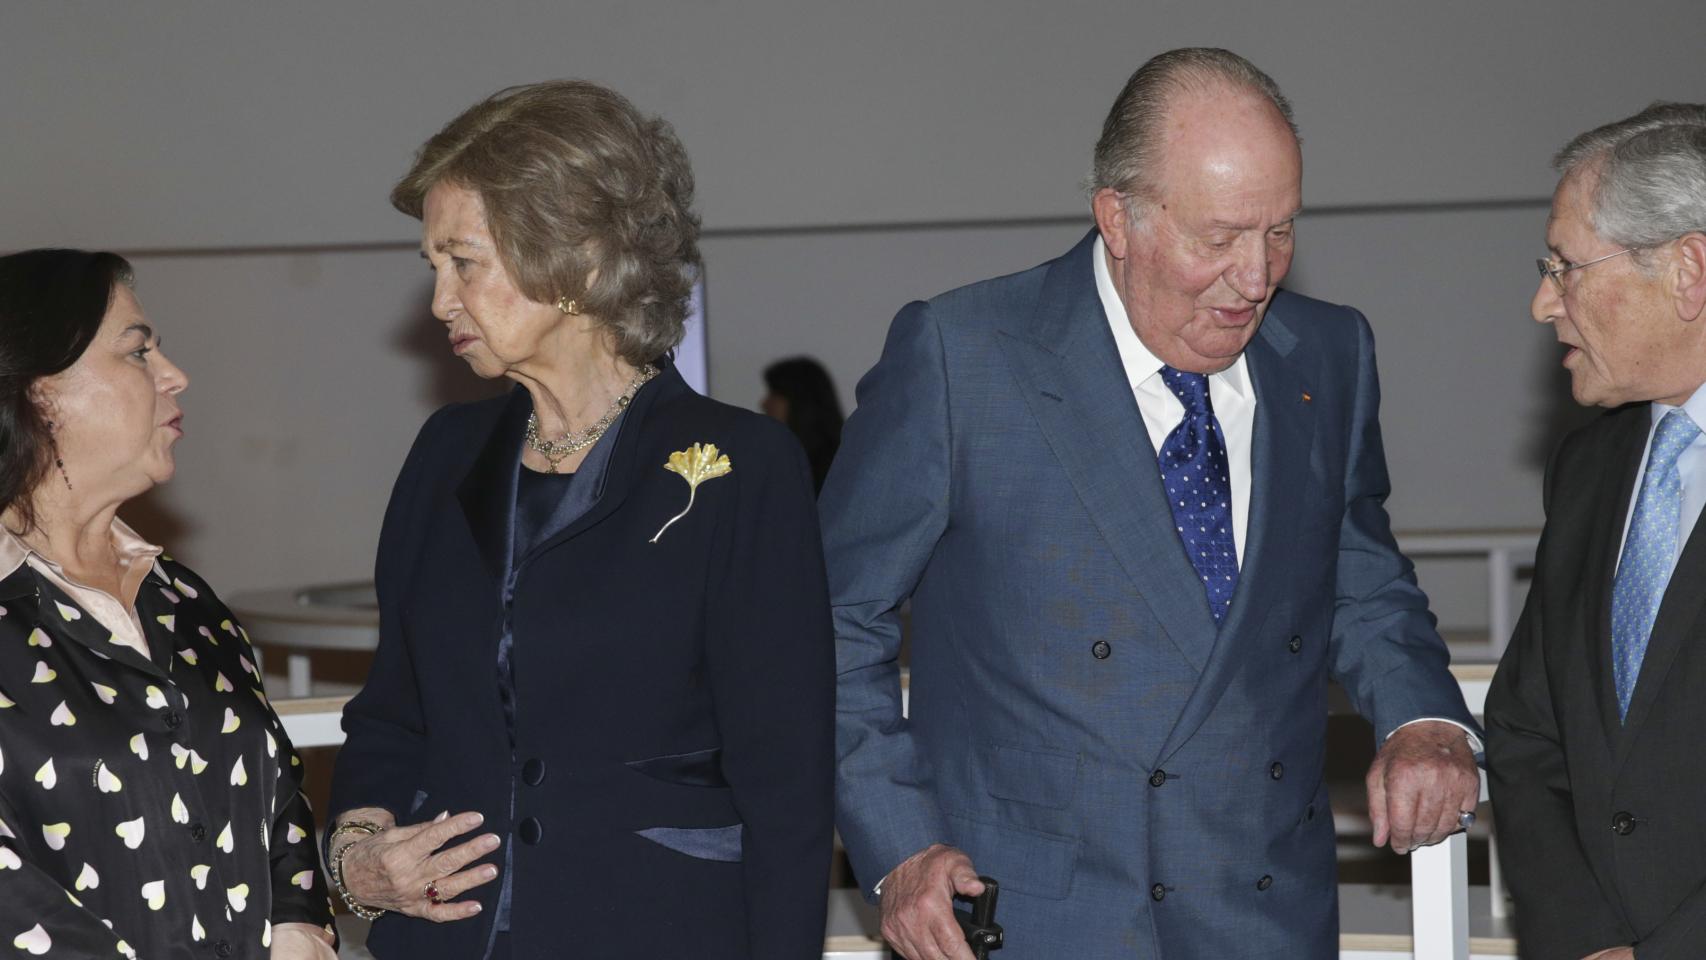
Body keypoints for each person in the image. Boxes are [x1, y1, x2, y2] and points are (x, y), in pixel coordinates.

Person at [823, 48, 1482, 959]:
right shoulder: (964, 357)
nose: (1256, 278)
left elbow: (1359, 573)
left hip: (1262, 914)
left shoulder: (1328, 355)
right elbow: (828, 620)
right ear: (1118, 219)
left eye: (1281, 232)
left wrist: (1425, 720)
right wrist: (898, 848)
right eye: (1218, 239)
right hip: (1036, 914)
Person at [326, 80, 834, 960]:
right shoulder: (445, 455)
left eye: (465, 263)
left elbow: (785, 782)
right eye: (434, 268)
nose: (441, 301)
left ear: (580, 263)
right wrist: (356, 859)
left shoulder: (741, 465)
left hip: (662, 932)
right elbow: (389, 720)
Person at [0, 250, 336, 959]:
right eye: (138, 351)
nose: (174, 374)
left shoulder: (184, 596)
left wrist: (300, 932)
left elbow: (278, 803)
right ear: (37, 391)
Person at [1486, 103, 1706, 960]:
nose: (1543, 304)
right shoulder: (1591, 467)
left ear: (1689, 271)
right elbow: (1528, 729)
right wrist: (1586, 940)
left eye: (1565, 267)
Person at [761, 356, 844, 493]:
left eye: (775, 394)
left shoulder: (830, 465)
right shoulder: (784, 456)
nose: (764, 403)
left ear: (799, 401)